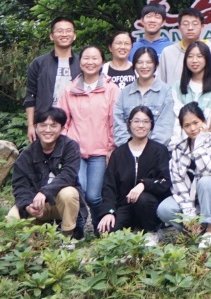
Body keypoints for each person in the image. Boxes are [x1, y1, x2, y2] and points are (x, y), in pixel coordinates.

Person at [95, 106, 171, 245]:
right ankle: (132, 230)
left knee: (143, 199)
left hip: (148, 205)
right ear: (129, 124)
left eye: (146, 121)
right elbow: (109, 187)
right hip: (125, 206)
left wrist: (144, 184)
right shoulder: (118, 154)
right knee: (105, 232)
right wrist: (108, 212)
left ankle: (152, 231)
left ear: (151, 125)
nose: (141, 125)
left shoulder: (160, 151)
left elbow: (165, 182)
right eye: (136, 121)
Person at [6, 107, 82, 242]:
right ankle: (28, 245)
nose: (47, 130)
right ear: (36, 127)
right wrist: (27, 206)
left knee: (69, 193)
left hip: (59, 203)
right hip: (36, 205)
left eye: (53, 125)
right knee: (12, 217)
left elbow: (68, 175)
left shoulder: (70, 147)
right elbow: (20, 186)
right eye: (43, 125)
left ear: (62, 128)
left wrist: (44, 192)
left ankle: (67, 238)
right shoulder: (26, 155)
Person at [156, 103, 211, 247]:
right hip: (189, 199)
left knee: (206, 181)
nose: (193, 128)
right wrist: (189, 214)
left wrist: (200, 144)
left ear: (203, 121)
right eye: (187, 125)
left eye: (196, 122)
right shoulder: (179, 148)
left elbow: (210, 172)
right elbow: (178, 183)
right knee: (164, 209)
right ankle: (195, 232)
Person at [63, 45, 120, 217]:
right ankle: (79, 226)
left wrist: (111, 147)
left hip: (100, 151)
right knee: (79, 191)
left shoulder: (111, 89)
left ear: (102, 62)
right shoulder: (70, 89)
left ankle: (99, 224)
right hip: (75, 151)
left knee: (93, 196)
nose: (90, 62)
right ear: (80, 62)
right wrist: (64, 146)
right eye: (86, 58)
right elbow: (63, 121)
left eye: (95, 58)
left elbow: (115, 121)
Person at [24, 17, 80, 142]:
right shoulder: (39, 63)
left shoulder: (82, 63)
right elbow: (30, 96)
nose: (64, 34)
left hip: (76, 123)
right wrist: (31, 125)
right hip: (46, 122)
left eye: (68, 31)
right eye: (59, 31)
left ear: (74, 35)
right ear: (51, 36)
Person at [113, 46, 175, 147]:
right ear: (134, 65)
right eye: (140, 62)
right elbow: (118, 124)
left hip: (156, 151)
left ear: (156, 65)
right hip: (127, 151)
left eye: (149, 62)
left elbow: (165, 127)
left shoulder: (166, 92)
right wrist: (129, 148)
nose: (144, 66)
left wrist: (148, 150)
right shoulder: (125, 93)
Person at [159, 8, 211, 85]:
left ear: (202, 27)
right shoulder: (168, 52)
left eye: (195, 24)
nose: (190, 28)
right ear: (179, 28)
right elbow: (161, 83)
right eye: (185, 24)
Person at [172, 42, 211, 138]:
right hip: (183, 141)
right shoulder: (177, 86)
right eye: (190, 56)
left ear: (207, 59)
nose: (194, 60)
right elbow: (176, 121)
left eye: (199, 56)